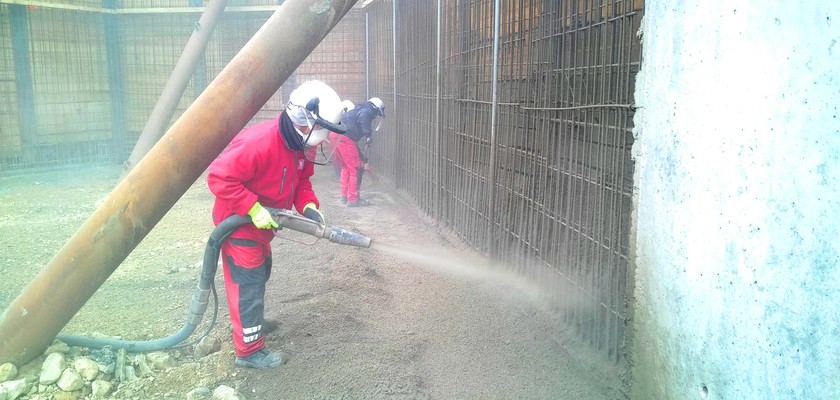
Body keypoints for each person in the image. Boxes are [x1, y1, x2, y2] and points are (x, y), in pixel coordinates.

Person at [207, 80, 346, 369]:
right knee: (249, 285)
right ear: (304, 120)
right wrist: (252, 207)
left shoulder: (299, 144)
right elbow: (219, 177)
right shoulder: (258, 143)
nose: (322, 139)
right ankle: (249, 351)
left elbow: (302, 181)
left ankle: (252, 319)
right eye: (321, 131)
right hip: (239, 226)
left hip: (262, 227)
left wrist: (308, 206)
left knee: (262, 273)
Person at [333, 97, 385, 207]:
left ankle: (345, 196)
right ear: (376, 108)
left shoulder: (358, 109)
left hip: (336, 136)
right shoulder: (367, 111)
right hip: (345, 138)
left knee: (346, 167)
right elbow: (363, 117)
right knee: (356, 169)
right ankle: (353, 199)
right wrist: (368, 136)